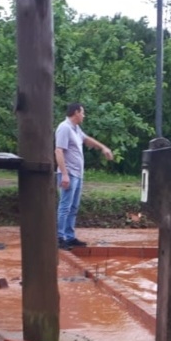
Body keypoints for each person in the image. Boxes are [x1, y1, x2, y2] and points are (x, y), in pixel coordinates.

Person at [55, 102, 113, 250]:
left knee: (73, 207)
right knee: (65, 207)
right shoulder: (64, 128)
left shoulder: (75, 128)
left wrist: (103, 148)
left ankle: (70, 237)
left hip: (78, 174)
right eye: (82, 112)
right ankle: (59, 238)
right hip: (69, 174)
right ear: (75, 112)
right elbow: (59, 151)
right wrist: (65, 175)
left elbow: (86, 139)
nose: (84, 115)